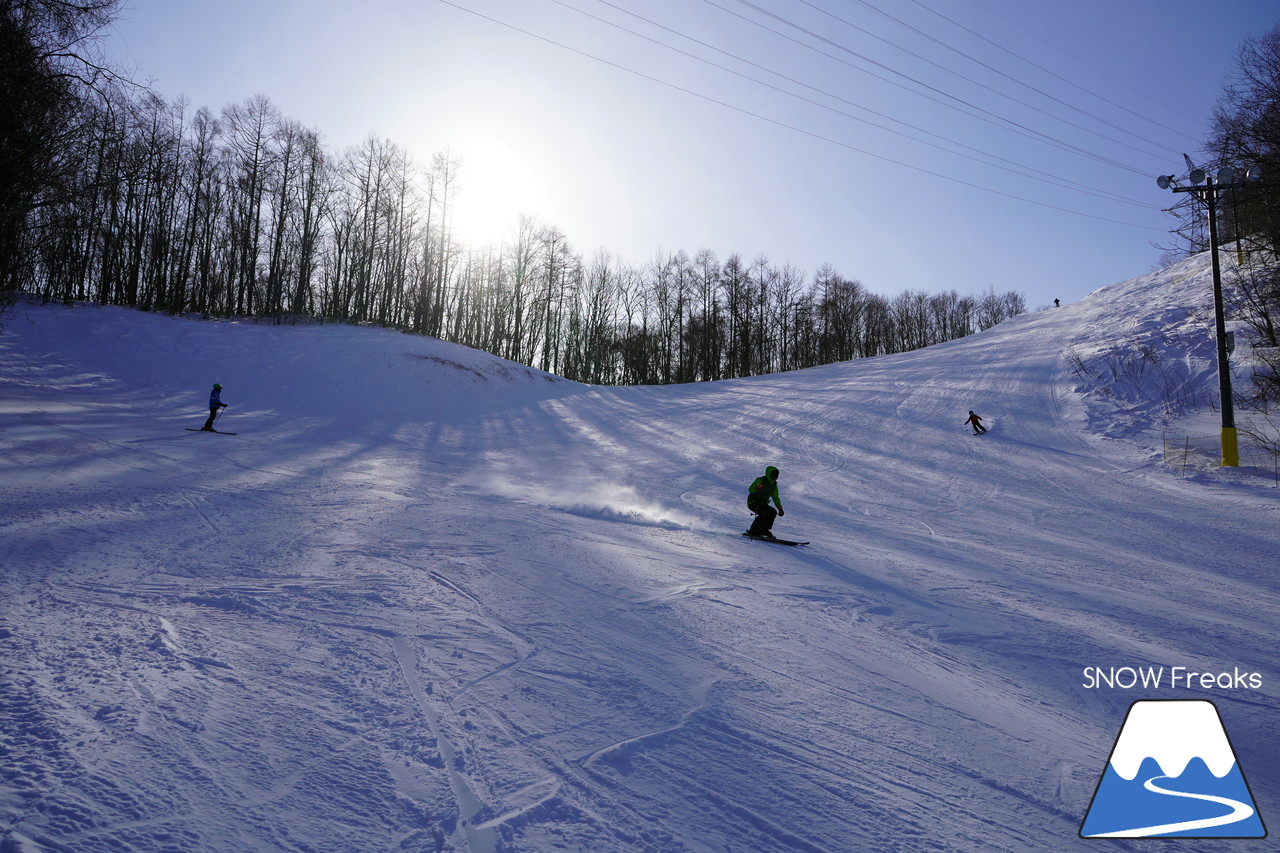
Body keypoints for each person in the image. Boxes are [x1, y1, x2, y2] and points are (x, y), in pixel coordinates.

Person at [746, 465, 784, 538]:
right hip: (753, 502)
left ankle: (764, 529)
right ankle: (753, 529)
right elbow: (750, 489)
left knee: (772, 512)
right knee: (762, 513)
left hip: (762, 503)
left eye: (777, 475)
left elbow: (775, 497)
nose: (775, 477)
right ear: (769, 474)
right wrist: (757, 487)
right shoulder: (760, 480)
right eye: (774, 475)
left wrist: (780, 508)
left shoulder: (774, 485)